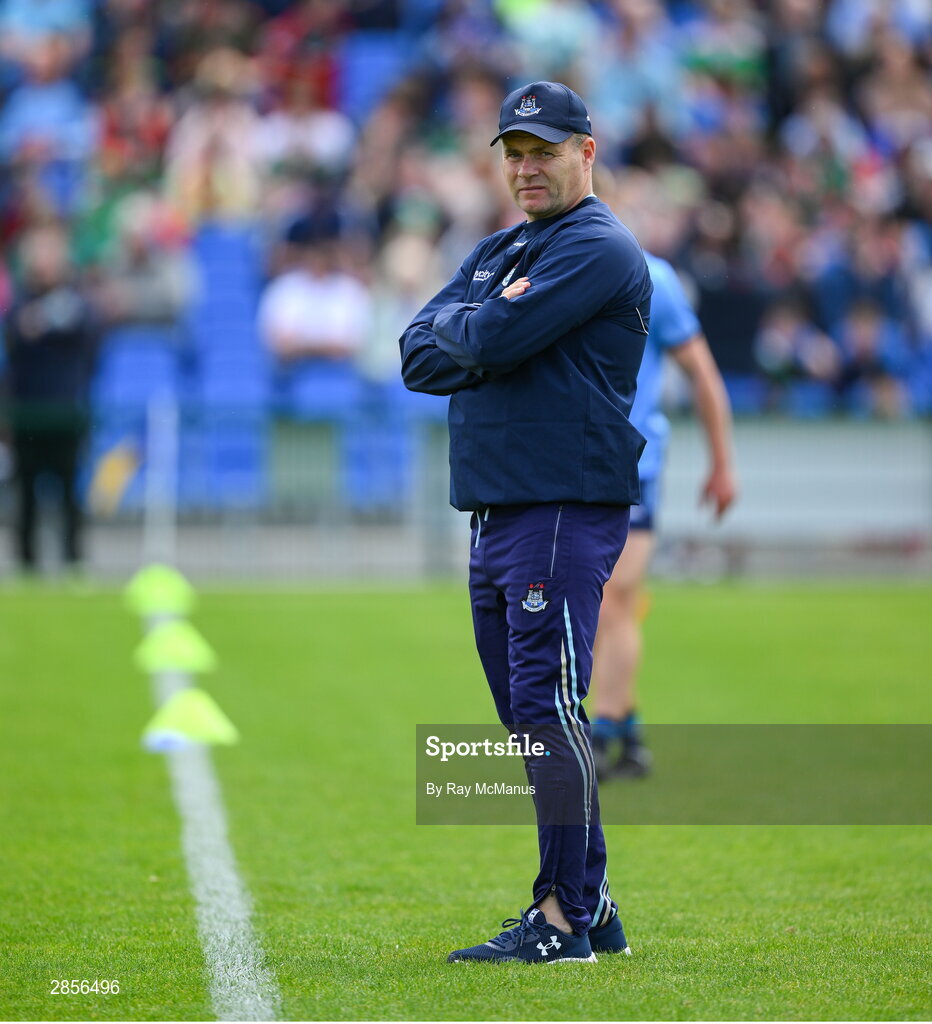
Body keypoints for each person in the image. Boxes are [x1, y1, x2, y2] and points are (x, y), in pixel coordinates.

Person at [399, 81, 652, 963]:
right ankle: (595, 902)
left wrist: (479, 327)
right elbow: (414, 352)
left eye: (543, 150)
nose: (525, 166)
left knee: (548, 712)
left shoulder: (598, 247)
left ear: (587, 152)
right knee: (531, 719)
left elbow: (484, 344)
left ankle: (561, 918)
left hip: (557, 506)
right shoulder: (501, 248)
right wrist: (483, 322)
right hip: (500, 508)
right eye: (513, 150)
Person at [591, 249, 738, 779]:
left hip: (635, 464)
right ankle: (626, 729)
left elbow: (702, 372)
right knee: (580, 601)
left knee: (616, 597)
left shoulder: (651, 278)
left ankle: (603, 731)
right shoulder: (540, 266)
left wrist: (722, 463)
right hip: (562, 464)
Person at [2, 223, 97, 571]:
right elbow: (19, 335)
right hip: (28, 415)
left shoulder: (78, 302)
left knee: (70, 493)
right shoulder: (20, 303)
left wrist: (43, 322)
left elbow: (86, 337)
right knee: (26, 494)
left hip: (66, 414)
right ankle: (27, 563)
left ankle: (73, 563)